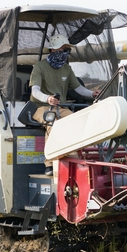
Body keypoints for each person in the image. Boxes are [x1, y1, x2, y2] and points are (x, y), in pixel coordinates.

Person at [29, 34, 99, 175]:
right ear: (53, 50)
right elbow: (35, 91)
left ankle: (73, 158)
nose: (65, 53)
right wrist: (48, 98)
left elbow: (78, 88)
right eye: (63, 49)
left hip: (61, 107)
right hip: (39, 107)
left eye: (66, 50)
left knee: (76, 122)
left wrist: (92, 94)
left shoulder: (66, 69)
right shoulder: (39, 67)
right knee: (52, 122)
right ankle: (50, 163)